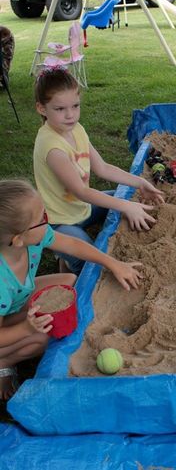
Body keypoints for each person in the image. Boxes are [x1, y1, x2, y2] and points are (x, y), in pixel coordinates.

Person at [0, 180, 144, 400]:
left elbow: (72, 245)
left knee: (68, 281)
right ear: (18, 239)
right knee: (43, 337)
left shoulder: (33, 238)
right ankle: (5, 362)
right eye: (42, 218)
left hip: (13, 303)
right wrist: (27, 328)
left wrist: (113, 263)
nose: (48, 219)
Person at [33, 67, 165, 275]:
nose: (70, 115)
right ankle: (67, 263)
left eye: (75, 106)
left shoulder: (76, 129)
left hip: (82, 209)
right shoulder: (52, 147)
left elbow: (102, 168)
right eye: (60, 109)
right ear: (41, 108)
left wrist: (140, 183)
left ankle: (66, 258)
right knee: (93, 265)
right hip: (59, 222)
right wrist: (126, 206)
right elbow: (81, 191)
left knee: (123, 200)